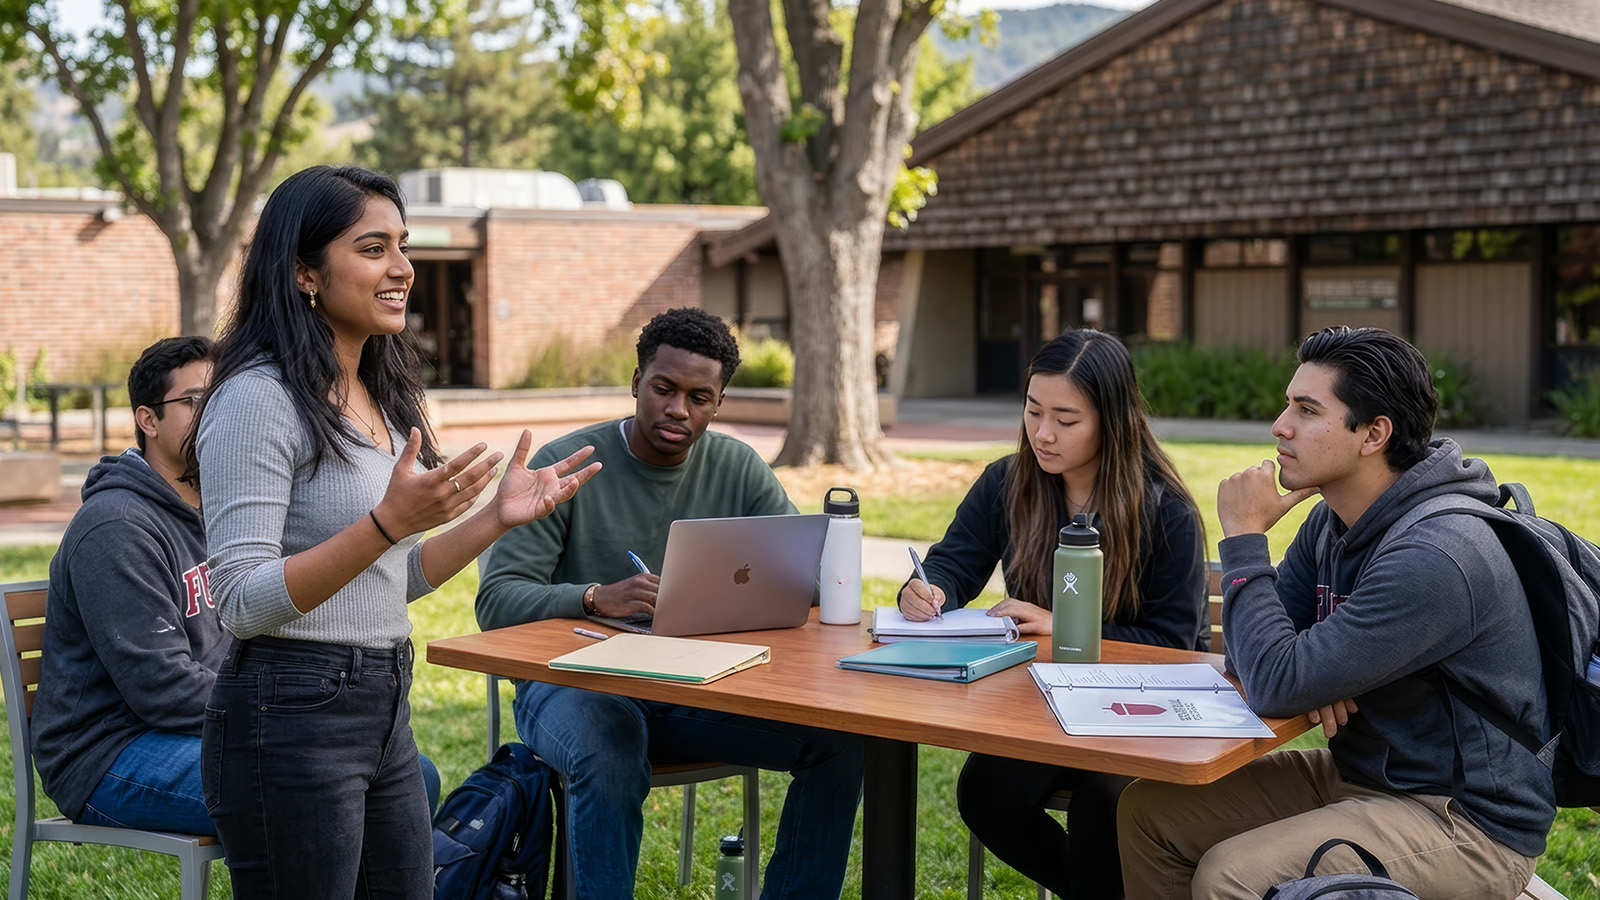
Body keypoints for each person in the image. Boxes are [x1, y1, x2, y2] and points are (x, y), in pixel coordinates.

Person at [193, 164, 599, 899]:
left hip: (381, 699)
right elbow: (241, 603)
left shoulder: (372, 396)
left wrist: (492, 520)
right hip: (289, 714)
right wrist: (385, 524)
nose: (404, 269)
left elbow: (393, 579)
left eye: (403, 246)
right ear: (303, 273)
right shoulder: (257, 398)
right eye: (374, 248)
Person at [1117, 326, 1554, 900]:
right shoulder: (1333, 521)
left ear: (1374, 433)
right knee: (1150, 813)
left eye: (1306, 410)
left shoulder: (1438, 554)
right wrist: (1305, 673)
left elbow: (1275, 678)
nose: (1280, 425)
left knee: (1233, 875)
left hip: (1463, 820)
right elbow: (1263, 659)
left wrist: (1245, 538)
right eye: (1287, 404)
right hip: (1363, 778)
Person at [476, 306, 864, 900]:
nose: (678, 409)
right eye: (663, 389)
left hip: (691, 690)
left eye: (699, 397)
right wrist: (593, 596)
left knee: (838, 741)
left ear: (719, 401)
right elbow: (496, 601)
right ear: (636, 383)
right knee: (609, 746)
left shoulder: (736, 466)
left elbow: (803, 583)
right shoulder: (570, 462)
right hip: (572, 686)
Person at [897, 328, 1208, 899]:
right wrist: (925, 590)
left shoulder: (1166, 510)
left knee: (1105, 804)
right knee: (984, 794)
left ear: (1112, 421)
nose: (1042, 433)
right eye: (1033, 411)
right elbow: (953, 565)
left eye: (1066, 420)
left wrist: (1069, 628)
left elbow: (1174, 644)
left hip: (1136, 715)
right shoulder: (1007, 483)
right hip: (1044, 708)